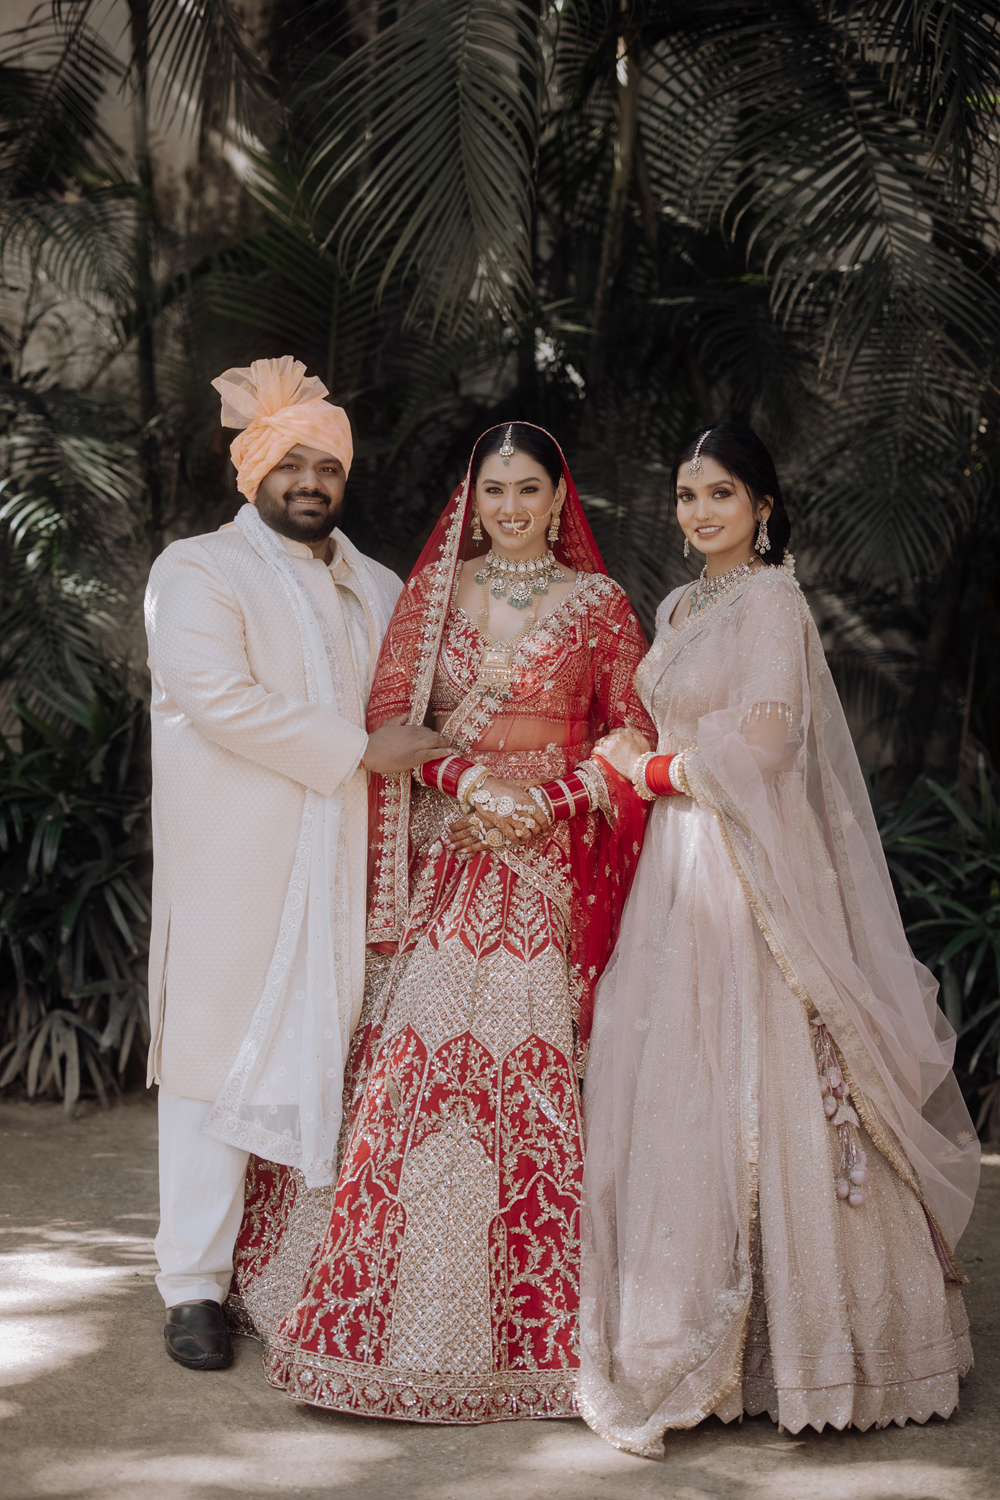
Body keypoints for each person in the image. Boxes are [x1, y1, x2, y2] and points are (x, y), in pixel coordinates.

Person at [224, 422, 655, 1422]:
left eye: (528, 490)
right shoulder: (431, 597)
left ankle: (540, 1334)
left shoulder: (600, 605)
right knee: (412, 1067)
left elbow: (632, 731)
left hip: (548, 861)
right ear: (473, 499)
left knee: (536, 1070)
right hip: (452, 852)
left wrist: (548, 801)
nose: (510, 508)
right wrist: (471, 783)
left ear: (559, 498)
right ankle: (377, 1315)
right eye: (493, 490)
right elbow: (390, 723)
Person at [578, 422, 980, 1455]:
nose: (701, 511)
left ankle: (815, 1350)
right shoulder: (682, 606)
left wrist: (648, 770)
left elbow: (765, 744)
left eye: (721, 493)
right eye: (687, 495)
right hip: (677, 867)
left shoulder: (771, 600)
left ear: (762, 506)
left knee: (766, 1073)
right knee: (680, 1076)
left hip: (742, 862)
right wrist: (638, 756)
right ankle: (696, 1331)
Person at [145, 356, 449, 1372]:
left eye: (328, 466)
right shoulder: (197, 570)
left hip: (349, 860)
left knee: (330, 1052)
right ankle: (192, 1286)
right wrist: (361, 752)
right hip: (239, 865)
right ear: (253, 470)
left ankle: (287, 1270)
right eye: (291, 464)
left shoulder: (377, 585)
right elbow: (217, 697)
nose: (311, 482)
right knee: (210, 1064)